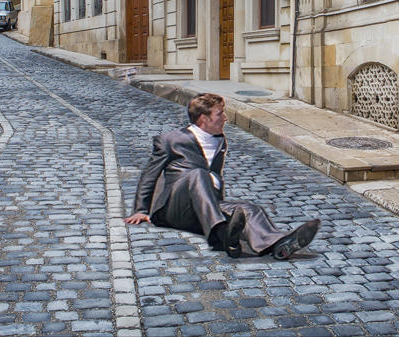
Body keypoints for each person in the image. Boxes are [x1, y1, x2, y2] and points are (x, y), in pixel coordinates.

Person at [124, 92, 320, 260]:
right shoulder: (170, 140)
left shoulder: (220, 141)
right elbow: (150, 174)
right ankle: (222, 235)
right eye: (220, 113)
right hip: (174, 208)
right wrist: (140, 209)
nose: (225, 118)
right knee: (198, 175)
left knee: (249, 209)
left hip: (205, 207)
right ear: (204, 119)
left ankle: (279, 244)